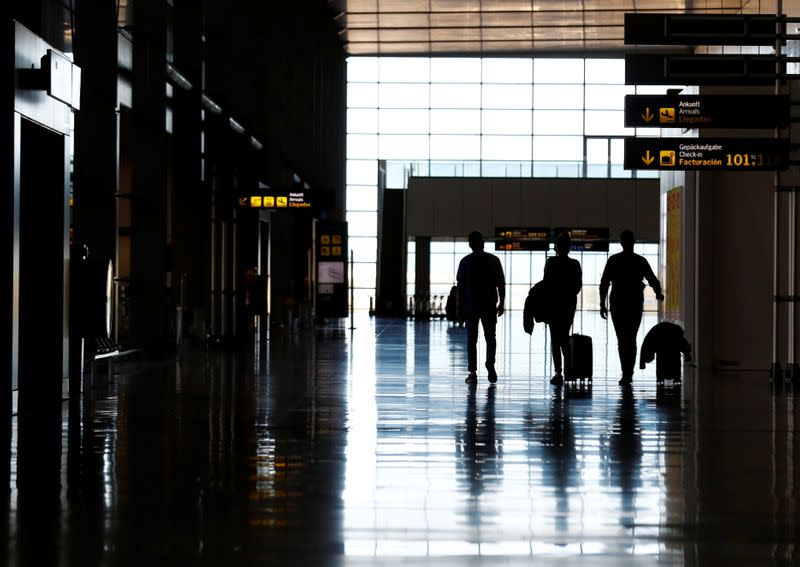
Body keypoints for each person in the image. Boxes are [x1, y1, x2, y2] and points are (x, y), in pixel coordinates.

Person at [599, 229, 664, 386]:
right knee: (631, 338)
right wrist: (658, 293)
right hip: (634, 304)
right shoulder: (640, 261)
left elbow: (604, 283)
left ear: (621, 243)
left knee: (622, 340)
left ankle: (626, 372)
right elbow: (652, 279)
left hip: (617, 304)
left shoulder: (613, 260)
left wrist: (602, 303)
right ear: (634, 242)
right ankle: (629, 372)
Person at [456, 231, 506, 385]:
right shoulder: (494, 260)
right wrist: (502, 303)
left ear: (470, 244)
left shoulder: (465, 262)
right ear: (483, 243)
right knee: (490, 337)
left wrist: (459, 308)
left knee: (471, 339)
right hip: (489, 304)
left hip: (471, 306)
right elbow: (501, 284)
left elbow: (461, 288)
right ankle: (490, 363)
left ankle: (472, 373)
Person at [543, 231, 582, 387]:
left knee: (555, 338)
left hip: (554, 304)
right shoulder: (574, 264)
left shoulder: (551, 262)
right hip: (568, 304)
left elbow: (546, 283)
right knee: (564, 337)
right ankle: (568, 370)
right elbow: (577, 286)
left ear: (557, 247)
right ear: (569, 247)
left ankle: (558, 372)